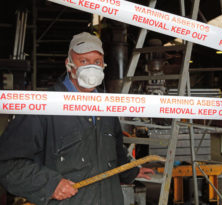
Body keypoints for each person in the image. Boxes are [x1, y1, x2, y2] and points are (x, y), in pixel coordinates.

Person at [0, 32, 154, 205]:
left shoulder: (106, 104)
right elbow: (7, 163)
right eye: (84, 61)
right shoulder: (43, 106)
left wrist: (129, 171)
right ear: (69, 65)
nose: (92, 68)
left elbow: (115, 148)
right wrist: (49, 185)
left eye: (97, 62)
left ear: (104, 65)